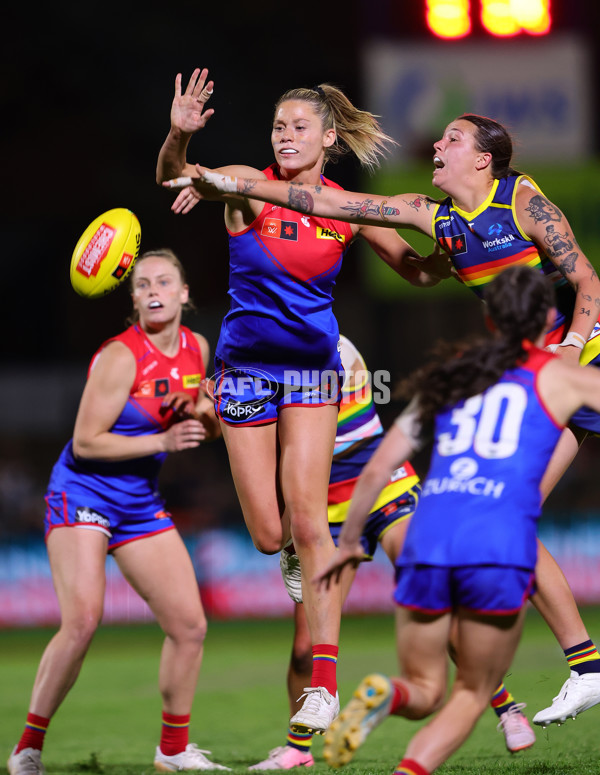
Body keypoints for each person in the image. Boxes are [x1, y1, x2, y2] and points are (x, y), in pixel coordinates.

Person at [177, 112, 600, 726]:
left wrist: (563, 358)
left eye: (453, 138)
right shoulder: (436, 218)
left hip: (582, 361)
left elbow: (588, 279)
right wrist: (235, 184)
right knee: (504, 513)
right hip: (555, 379)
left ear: (483, 159)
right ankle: (586, 668)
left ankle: (583, 669)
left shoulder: (524, 202)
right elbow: (323, 202)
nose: (438, 143)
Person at [156, 67, 449, 735]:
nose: (285, 135)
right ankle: (293, 551)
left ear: (328, 139)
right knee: (270, 534)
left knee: (313, 521)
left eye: (298, 126)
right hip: (246, 375)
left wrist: (460, 250)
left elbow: (416, 269)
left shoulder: (347, 207)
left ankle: (323, 684)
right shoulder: (249, 188)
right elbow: (174, 176)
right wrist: (178, 137)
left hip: (315, 377)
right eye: (278, 127)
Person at [312, 265, 600, 775]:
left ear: (490, 320)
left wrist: (350, 541)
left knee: (424, 690)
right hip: (497, 543)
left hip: (429, 535)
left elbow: (380, 464)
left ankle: (390, 695)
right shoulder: (563, 377)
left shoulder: (451, 375)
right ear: (550, 317)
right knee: (472, 690)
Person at [248, 334, 534, 771]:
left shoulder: (331, 349)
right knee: (306, 647)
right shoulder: (256, 363)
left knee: (433, 596)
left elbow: (327, 443)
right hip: (322, 508)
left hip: (381, 488)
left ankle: (505, 706)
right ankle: (298, 748)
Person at [7, 249, 229, 775]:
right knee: (83, 619)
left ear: (183, 293)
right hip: (83, 491)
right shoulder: (120, 357)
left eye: (164, 281)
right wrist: (165, 439)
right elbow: (86, 443)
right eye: (143, 283)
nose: (153, 290)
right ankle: (28, 750)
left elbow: (201, 426)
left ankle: (172, 752)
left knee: (189, 625)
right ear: (133, 298)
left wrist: (209, 417)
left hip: (138, 501)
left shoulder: (197, 349)